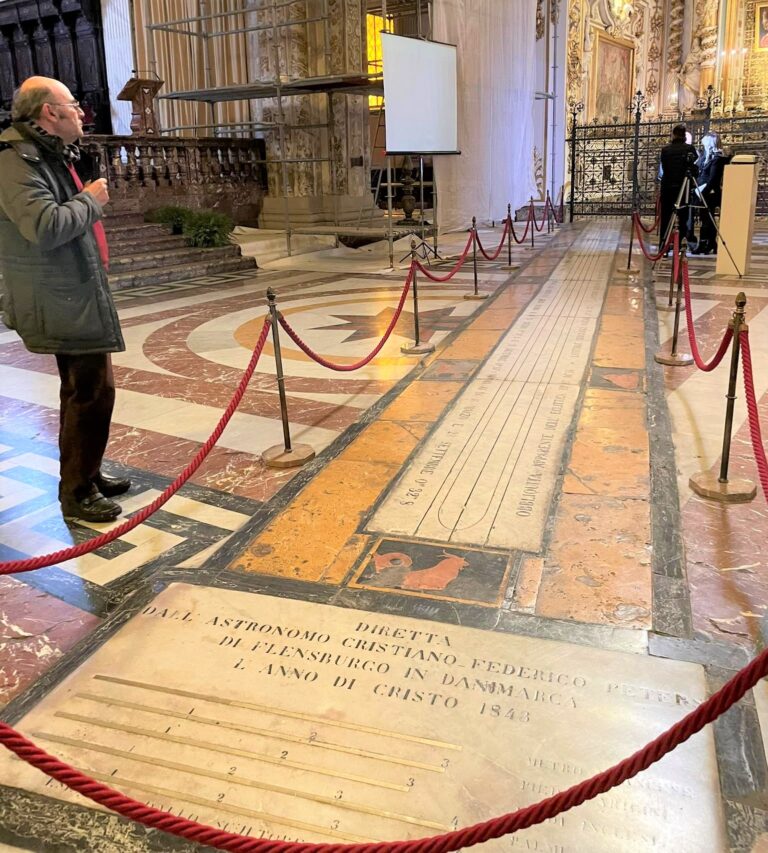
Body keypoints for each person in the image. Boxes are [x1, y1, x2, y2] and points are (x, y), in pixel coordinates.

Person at [0, 76, 130, 522]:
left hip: (74, 288)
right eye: (72, 105)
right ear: (48, 113)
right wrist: (91, 201)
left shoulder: (47, 153)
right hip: (57, 295)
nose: (81, 111)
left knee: (93, 390)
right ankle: (76, 492)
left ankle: (86, 474)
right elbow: (44, 226)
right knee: (87, 391)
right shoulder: (15, 161)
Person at [658, 123, 699, 252]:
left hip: (668, 187)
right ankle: (680, 245)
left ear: (673, 134)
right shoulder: (690, 149)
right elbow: (694, 166)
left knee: (665, 218)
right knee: (683, 217)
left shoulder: (666, 150)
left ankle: (663, 246)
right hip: (683, 187)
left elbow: (664, 168)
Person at [691, 131, 730, 255]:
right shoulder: (705, 156)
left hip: (709, 192)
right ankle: (711, 242)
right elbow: (699, 170)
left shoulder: (717, 159)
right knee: (705, 218)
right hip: (701, 191)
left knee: (708, 218)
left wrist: (703, 192)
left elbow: (713, 179)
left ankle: (705, 243)